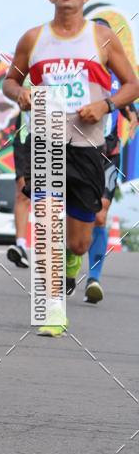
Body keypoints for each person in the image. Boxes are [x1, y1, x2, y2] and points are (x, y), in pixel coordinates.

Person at [3, 0, 139, 337]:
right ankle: (52, 308)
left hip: (88, 143)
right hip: (45, 136)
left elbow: (132, 85)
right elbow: (10, 80)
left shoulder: (102, 37)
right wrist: (21, 94)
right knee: (46, 221)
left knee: (79, 237)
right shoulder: (34, 38)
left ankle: (74, 262)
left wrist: (107, 105)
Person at [83, 18, 138, 303]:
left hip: (108, 155)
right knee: (74, 222)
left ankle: (93, 279)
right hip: (77, 152)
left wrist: (130, 122)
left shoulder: (119, 73)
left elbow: (131, 106)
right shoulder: (78, 67)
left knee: (101, 216)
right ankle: (69, 266)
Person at [7, 88, 31, 269]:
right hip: (26, 134)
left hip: (63, 135)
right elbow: (9, 84)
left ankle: (67, 254)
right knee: (23, 191)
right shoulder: (26, 60)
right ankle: (21, 245)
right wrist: (20, 92)